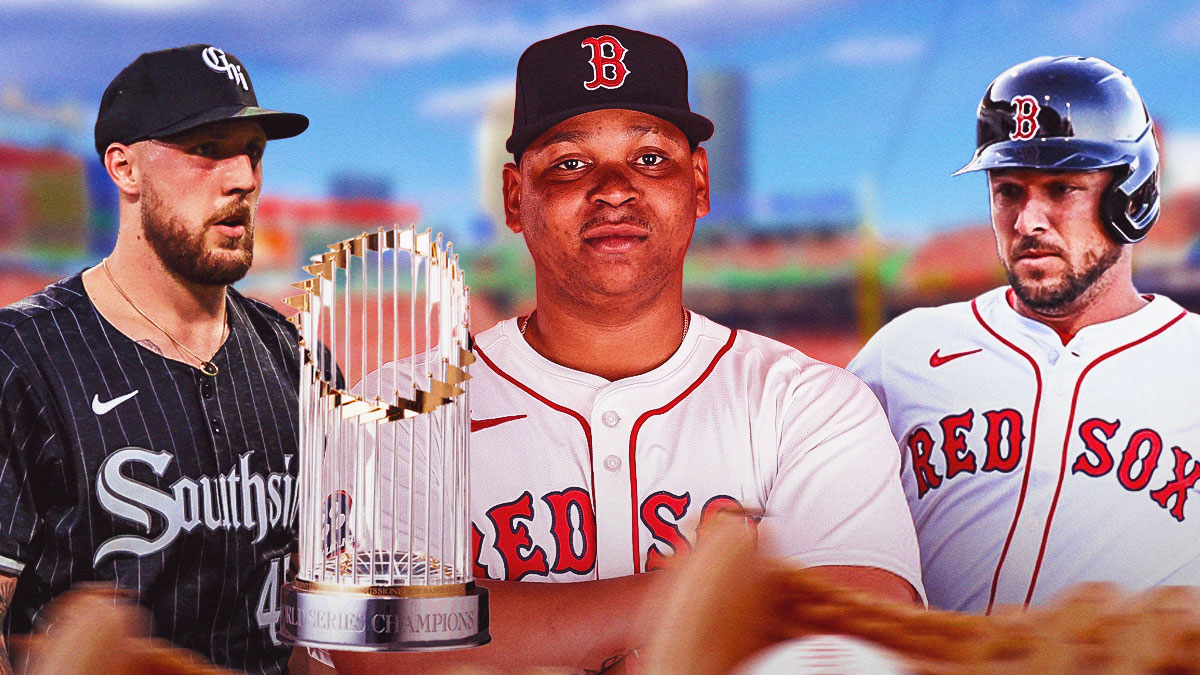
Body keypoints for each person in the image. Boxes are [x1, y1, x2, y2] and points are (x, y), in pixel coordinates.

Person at [331, 25, 922, 674]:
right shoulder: (398, 406)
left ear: (698, 184)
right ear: (514, 198)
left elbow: (872, 628)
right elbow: (376, 644)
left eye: (648, 158)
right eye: (570, 164)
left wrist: (514, 630)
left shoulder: (811, 404)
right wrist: (723, 595)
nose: (614, 188)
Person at [848, 56, 1200, 614]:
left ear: (1132, 198)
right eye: (1008, 190)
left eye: (1062, 188)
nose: (1027, 221)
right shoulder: (905, 351)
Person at [0, 44, 308, 674]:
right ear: (124, 168)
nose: (243, 177)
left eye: (252, 151)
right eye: (206, 150)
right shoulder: (24, 358)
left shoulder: (292, 357)